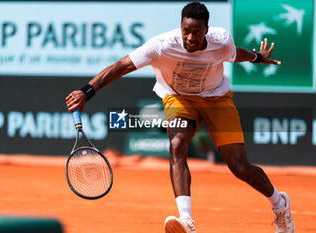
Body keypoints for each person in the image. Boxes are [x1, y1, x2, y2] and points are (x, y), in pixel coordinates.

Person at [65, 2, 294, 233]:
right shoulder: (162, 45)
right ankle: (186, 221)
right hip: (179, 99)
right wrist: (87, 91)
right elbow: (120, 66)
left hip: (217, 99)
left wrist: (256, 57)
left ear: (206, 30)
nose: (191, 37)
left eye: (196, 32)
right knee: (177, 145)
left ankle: (280, 204)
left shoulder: (222, 40)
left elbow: (234, 54)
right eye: (186, 31)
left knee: (239, 166)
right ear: (180, 27)